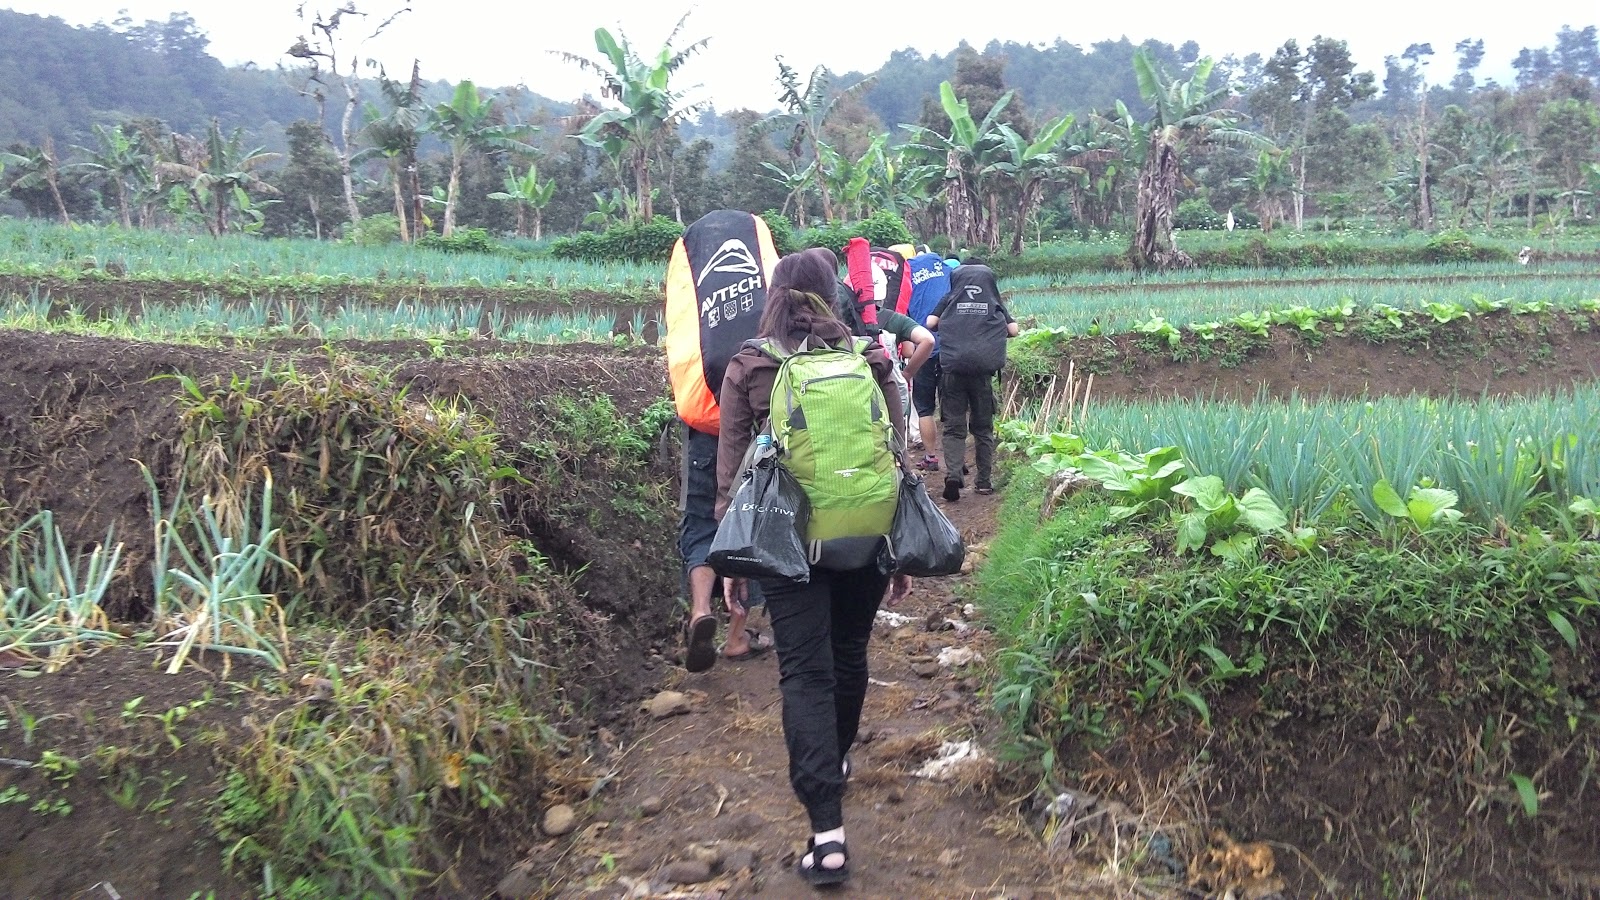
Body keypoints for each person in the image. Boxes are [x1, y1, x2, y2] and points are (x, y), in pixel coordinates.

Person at [716, 247, 912, 887]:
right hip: (865, 531)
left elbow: (733, 476)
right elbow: (896, 452)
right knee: (851, 653)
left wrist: (730, 560)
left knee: (805, 674)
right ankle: (838, 761)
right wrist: (896, 541)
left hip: (788, 542)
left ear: (773, 296)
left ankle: (826, 836)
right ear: (837, 293)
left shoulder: (750, 363)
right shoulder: (871, 357)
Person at [664, 210, 780, 672]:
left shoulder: (691, 264)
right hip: (757, 425)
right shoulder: (761, 259)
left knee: (699, 521)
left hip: (705, 421)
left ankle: (699, 610)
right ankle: (736, 636)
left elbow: (682, 342)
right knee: (754, 521)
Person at [925, 256, 1018, 501]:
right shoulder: (992, 298)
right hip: (982, 374)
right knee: (983, 428)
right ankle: (984, 482)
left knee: (954, 428)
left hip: (952, 372)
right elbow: (1014, 330)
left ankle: (954, 475)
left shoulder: (951, 298)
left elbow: (930, 322)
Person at [905, 247, 953, 470]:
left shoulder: (907, 273)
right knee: (952, 403)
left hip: (922, 347)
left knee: (924, 407)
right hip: (951, 346)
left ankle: (931, 457)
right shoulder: (947, 270)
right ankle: (956, 458)